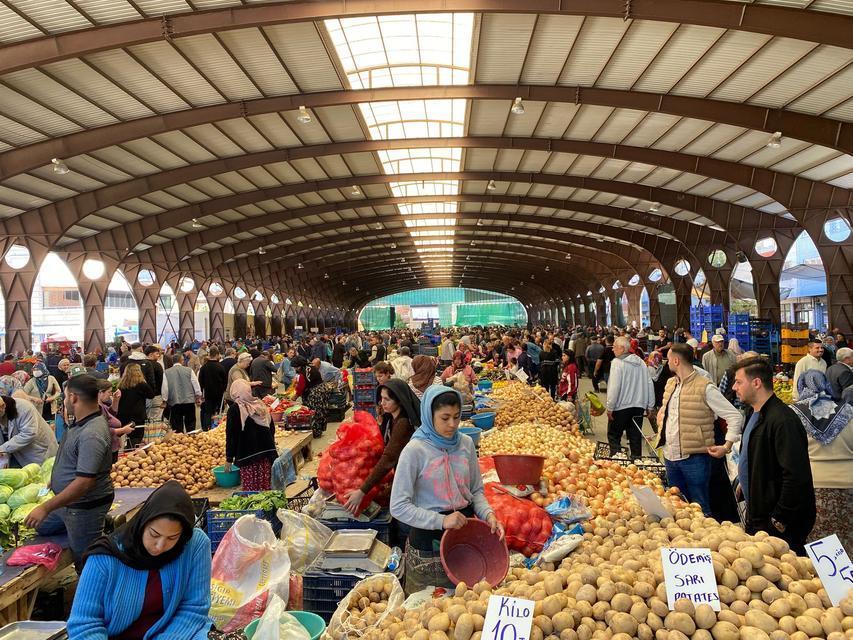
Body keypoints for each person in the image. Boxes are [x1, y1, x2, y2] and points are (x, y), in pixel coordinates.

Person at [390, 386, 503, 595]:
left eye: (456, 417)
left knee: (465, 607)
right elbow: (398, 506)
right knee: (428, 612)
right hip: (427, 541)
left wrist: (488, 515)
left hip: (466, 535)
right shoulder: (415, 451)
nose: (452, 424)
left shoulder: (466, 444)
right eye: (444, 418)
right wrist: (440, 521)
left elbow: (476, 490)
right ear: (429, 415)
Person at [69, 480, 212, 639]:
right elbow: (84, 625)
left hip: (175, 632)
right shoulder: (104, 558)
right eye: (154, 535)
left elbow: (194, 608)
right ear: (142, 523)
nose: (160, 546)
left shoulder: (194, 545)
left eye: (172, 538)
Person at [25, 375, 114, 573]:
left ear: (73, 398)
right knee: (42, 527)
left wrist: (45, 507)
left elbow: (84, 483)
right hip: (66, 503)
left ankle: (94, 593)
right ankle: (98, 525)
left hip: (83, 505)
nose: (64, 401)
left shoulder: (92, 433)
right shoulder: (82, 421)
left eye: (65, 396)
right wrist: (56, 478)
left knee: (85, 559)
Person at [732, 357, 816, 554]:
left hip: (778, 525)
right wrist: (745, 485)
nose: (735, 387)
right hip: (760, 515)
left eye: (739, 381)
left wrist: (779, 518)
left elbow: (796, 475)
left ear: (756, 383)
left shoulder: (783, 420)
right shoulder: (755, 414)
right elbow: (759, 459)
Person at [657, 343, 744, 516]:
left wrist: (726, 446)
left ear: (676, 360)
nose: (667, 363)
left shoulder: (705, 387)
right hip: (670, 455)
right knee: (677, 505)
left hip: (694, 458)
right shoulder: (670, 384)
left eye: (669, 359)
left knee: (700, 506)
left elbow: (735, 416)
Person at [788, 371, 852, 550]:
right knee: (848, 543)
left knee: (821, 547)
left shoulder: (794, 413)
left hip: (813, 488)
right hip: (849, 486)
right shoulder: (847, 410)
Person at [344, 379, 420, 520]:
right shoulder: (392, 419)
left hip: (412, 481)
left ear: (399, 401)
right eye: (381, 398)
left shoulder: (403, 424)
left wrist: (362, 491)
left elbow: (389, 458)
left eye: (387, 399)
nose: (382, 403)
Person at [605, 336, 655, 458]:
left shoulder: (617, 363)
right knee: (635, 436)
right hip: (638, 407)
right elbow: (649, 383)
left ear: (622, 348)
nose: (612, 350)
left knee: (614, 435)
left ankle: (617, 462)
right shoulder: (641, 363)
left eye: (615, 347)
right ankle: (636, 462)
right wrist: (650, 406)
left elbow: (614, 387)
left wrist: (610, 407)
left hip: (620, 407)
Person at [225, 378, 276, 491]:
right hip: (266, 452)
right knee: (264, 486)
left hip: (247, 455)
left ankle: (255, 508)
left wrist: (229, 458)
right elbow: (271, 428)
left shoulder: (235, 409)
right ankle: (266, 507)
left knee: (251, 490)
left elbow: (231, 435)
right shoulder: (259, 404)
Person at [0, 393, 58, 467]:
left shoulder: (24, 408)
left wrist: (3, 449)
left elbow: (29, 433)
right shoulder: (2, 412)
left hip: (37, 452)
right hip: (16, 453)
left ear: (3, 406)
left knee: (41, 474)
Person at [116, 364, 155, 449]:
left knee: (126, 437)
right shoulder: (141, 384)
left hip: (123, 416)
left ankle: (126, 450)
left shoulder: (121, 385)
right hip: (137, 416)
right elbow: (151, 395)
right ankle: (131, 452)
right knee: (136, 437)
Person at [96, 379, 134, 463]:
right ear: (100, 392)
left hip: (112, 445)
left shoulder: (102, 405)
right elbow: (103, 430)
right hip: (107, 448)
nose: (110, 395)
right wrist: (123, 430)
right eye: (109, 392)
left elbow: (111, 414)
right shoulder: (97, 408)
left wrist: (116, 399)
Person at [162, 353, 201, 433]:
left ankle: (179, 443)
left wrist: (164, 400)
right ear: (182, 361)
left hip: (174, 402)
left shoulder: (166, 372)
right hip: (189, 401)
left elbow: (165, 388)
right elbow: (195, 384)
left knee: (177, 426)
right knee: (190, 425)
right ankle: (191, 440)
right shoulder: (189, 370)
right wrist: (198, 396)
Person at [292, 357, 330, 438]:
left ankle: (316, 432)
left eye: (295, 367)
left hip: (315, 393)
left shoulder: (303, 372)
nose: (295, 369)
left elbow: (301, 387)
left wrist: (294, 397)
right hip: (322, 389)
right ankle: (319, 430)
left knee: (314, 412)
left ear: (299, 366)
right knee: (321, 411)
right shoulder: (310, 367)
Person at [198, 347, 227, 431]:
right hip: (219, 394)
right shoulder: (221, 367)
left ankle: (207, 429)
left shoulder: (203, 368)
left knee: (208, 412)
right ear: (217, 355)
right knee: (219, 412)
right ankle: (217, 429)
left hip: (208, 394)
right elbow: (225, 382)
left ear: (209, 354)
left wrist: (202, 393)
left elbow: (201, 382)